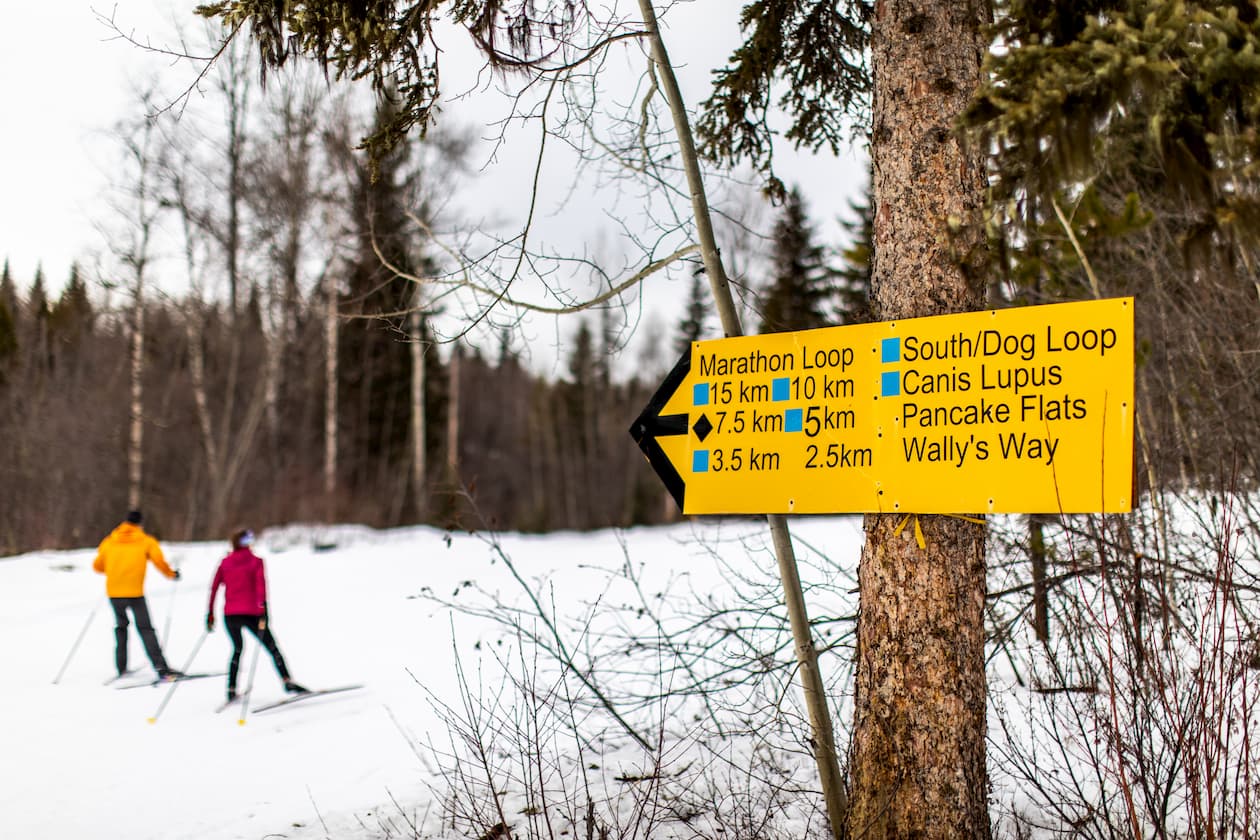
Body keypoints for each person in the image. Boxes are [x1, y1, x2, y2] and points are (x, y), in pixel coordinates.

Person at [206, 528, 307, 703]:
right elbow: (261, 587)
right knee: (272, 647)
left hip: (230, 615)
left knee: (237, 649)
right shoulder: (256, 562)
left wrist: (210, 613)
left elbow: (214, 588)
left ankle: (231, 689)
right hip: (252, 613)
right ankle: (287, 681)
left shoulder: (225, 562)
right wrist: (264, 611)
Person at [93, 509, 184, 680]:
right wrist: (172, 574)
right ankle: (161, 668)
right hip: (135, 593)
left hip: (114, 593)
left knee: (121, 627)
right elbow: (159, 561)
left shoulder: (110, 541)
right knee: (145, 629)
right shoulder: (145, 541)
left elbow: (97, 565)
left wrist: (114, 569)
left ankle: (121, 667)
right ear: (140, 524)